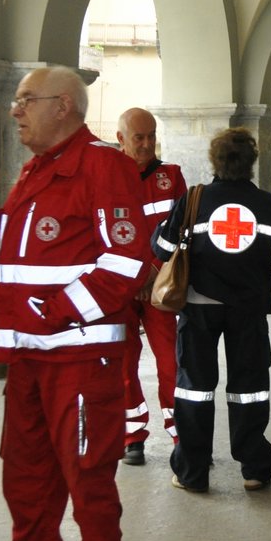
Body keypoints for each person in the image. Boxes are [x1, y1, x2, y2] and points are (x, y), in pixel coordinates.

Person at [0, 65, 147, 541]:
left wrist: (48, 313)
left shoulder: (105, 168)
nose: (15, 110)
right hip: (28, 359)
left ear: (65, 106)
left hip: (78, 359)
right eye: (17, 101)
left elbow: (125, 265)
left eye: (27, 100)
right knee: (25, 473)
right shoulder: (35, 170)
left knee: (86, 475)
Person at [152, 127, 271, 493]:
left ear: (215, 161)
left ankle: (192, 472)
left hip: (198, 308)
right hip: (248, 310)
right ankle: (255, 468)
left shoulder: (195, 198)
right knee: (250, 389)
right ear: (251, 163)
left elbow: (164, 248)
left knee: (194, 389)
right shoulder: (267, 205)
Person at [113, 107, 186, 466]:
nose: (146, 144)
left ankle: (181, 435)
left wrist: (153, 272)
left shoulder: (171, 177)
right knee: (123, 365)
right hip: (120, 288)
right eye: (138, 137)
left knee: (170, 362)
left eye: (151, 136)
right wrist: (134, 276)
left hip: (160, 287)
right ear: (120, 139)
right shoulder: (105, 178)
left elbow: (182, 230)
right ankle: (132, 438)